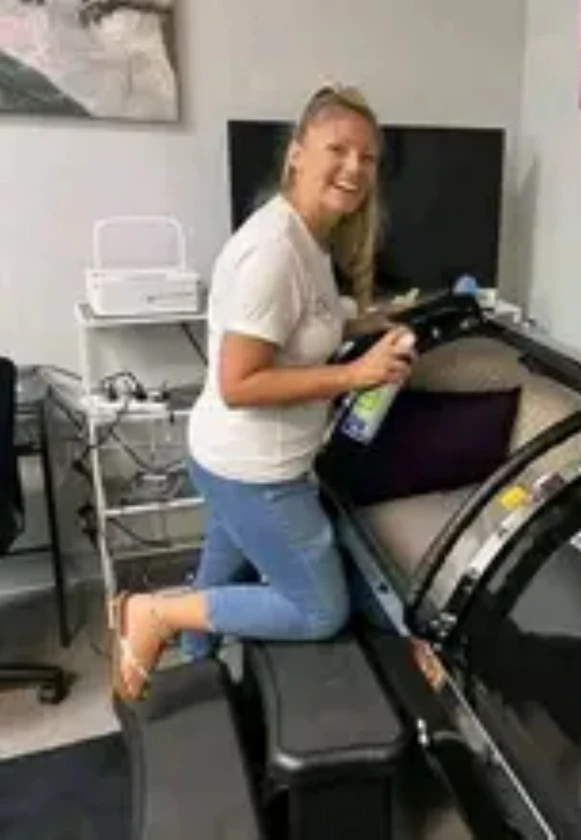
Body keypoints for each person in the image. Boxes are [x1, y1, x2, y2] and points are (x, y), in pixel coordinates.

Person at [111, 84, 415, 702]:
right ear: (297, 153)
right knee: (318, 609)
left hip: (231, 459)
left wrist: (365, 323)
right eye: (338, 149)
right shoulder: (274, 252)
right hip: (255, 471)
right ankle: (151, 614)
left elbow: (299, 329)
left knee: (217, 582)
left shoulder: (307, 236)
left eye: (368, 157)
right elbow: (239, 382)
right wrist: (354, 376)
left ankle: (194, 681)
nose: (355, 167)